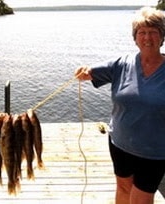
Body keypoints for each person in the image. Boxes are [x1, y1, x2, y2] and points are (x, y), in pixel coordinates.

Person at [75, 7, 165, 204]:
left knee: (141, 199)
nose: (147, 37)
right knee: (123, 190)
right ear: (135, 38)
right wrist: (85, 71)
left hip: (154, 151)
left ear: (162, 36)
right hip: (120, 144)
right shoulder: (121, 64)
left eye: (153, 32)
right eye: (142, 32)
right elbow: (91, 72)